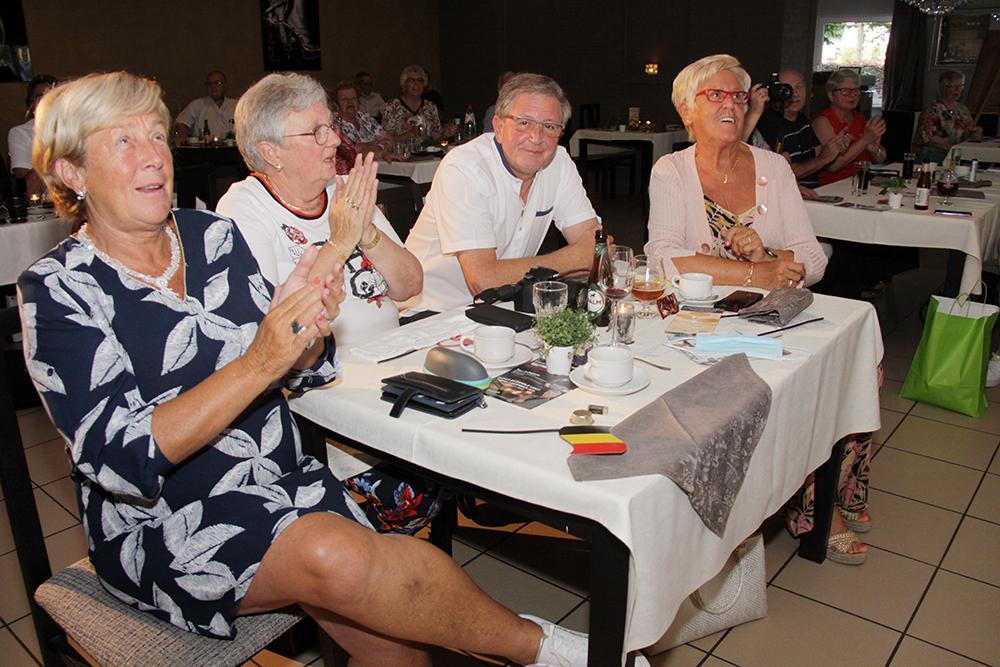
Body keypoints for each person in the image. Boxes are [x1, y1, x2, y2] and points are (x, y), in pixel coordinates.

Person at [20, 71, 587, 666]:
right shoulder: (59, 289)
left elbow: (303, 372)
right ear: (72, 172)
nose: (154, 156)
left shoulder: (211, 237)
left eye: (157, 135)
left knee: (398, 640)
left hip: (284, 479)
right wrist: (262, 359)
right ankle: (543, 649)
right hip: (165, 521)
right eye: (123, 141)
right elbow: (119, 457)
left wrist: (307, 332)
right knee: (336, 557)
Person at [216, 72, 434, 533]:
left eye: (330, 126)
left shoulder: (344, 191)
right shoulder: (243, 209)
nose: (334, 139)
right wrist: (339, 240)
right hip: (325, 392)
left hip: (393, 367)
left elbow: (409, 284)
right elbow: (278, 330)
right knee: (417, 490)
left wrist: (365, 231)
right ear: (270, 152)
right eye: (315, 132)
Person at [404, 73, 600, 312]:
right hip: (431, 314)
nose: (536, 138)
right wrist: (575, 258)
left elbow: (598, 249)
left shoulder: (559, 163)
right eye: (524, 123)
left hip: (505, 308)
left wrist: (586, 256)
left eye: (549, 126)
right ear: (498, 127)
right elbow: (483, 280)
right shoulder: (465, 167)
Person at [645, 54, 827, 289]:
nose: (730, 104)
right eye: (716, 95)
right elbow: (661, 258)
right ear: (686, 112)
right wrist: (755, 274)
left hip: (769, 309)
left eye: (739, 96)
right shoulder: (671, 171)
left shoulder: (775, 167)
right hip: (696, 310)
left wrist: (766, 255)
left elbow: (814, 259)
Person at [745, 69, 850, 188]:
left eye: (799, 86)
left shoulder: (801, 119)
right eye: (787, 88)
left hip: (813, 191)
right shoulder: (767, 123)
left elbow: (818, 155)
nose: (795, 93)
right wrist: (823, 158)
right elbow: (780, 173)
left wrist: (835, 148)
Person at [812, 69, 887, 186]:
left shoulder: (860, 119)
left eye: (856, 90)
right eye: (845, 91)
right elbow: (833, 165)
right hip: (833, 186)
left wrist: (874, 150)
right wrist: (865, 140)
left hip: (861, 182)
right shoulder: (822, 121)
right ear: (831, 95)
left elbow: (879, 159)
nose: (852, 95)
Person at [913, 69, 983, 165]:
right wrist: (954, 149)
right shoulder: (932, 110)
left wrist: (975, 133)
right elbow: (928, 138)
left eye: (960, 86)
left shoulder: (963, 109)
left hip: (957, 154)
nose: (957, 90)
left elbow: (971, 129)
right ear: (942, 88)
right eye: (953, 87)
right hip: (933, 155)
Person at [7, 74, 56, 193]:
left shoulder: (76, 129)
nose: (49, 102)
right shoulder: (21, 133)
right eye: (42, 98)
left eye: (54, 97)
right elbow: (30, 190)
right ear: (32, 105)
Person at [381, 64, 454, 141]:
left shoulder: (430, 106)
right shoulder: (392, 106)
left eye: (420, 80)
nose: (416, 84)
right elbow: (386, 140)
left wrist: (444, 133)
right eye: (412, 80)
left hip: (428, 148)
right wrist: (408, 135)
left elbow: (436, 136)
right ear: (404, 84)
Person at [331, 79, 394, 160]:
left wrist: (379, 147)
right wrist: (375, 143)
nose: (350, 102)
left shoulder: (366, 119)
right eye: (344, 99)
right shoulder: (333, 124)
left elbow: (389, 140)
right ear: (336, 104)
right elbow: (348, 150)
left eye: (353, 99)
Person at [174, 70, 238, 141]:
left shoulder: (236, 105)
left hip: (231, 146)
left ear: (225, 86)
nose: (213, 86)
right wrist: (183, 139)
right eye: (209, 84)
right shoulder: (197, 105)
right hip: (204, 146)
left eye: (217, 83)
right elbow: (181, 123)